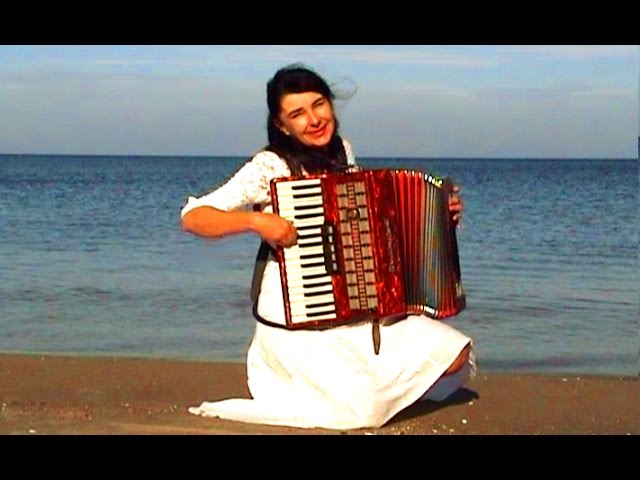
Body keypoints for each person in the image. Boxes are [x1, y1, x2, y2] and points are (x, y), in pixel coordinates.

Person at [180, 63, 476, 430]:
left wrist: (437, 215)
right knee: (362, 412)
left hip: (352, 307)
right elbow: (193, 217)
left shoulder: (343, 152)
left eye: (319, 104)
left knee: (454, 355)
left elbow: (375, 225)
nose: (314, 119)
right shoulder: (269, 165)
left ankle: (371, 384)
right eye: (297, 114)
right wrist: (257, 221)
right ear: (281, 125)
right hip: (295, 320)